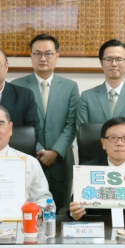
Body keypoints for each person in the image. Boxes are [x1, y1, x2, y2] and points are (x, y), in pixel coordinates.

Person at [12, 34, 79, 209]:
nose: (43, 58)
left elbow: (72, 124)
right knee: (27, 209)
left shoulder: (70, 86)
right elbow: (18, 124)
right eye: (38, 54)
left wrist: (55, 152)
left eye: (48, 54)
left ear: (57, 56)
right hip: (29, 157)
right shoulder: (16, 85)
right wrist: (38, 149)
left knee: (61, 210)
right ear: (31, 56)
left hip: (61, 160)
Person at [77, 39, 125, 127]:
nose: (114, 64)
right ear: (101, 63)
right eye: (109, 59)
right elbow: (82, 131)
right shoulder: (87, 97)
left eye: (119, 59)